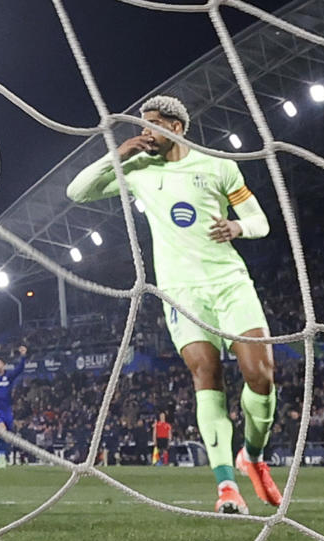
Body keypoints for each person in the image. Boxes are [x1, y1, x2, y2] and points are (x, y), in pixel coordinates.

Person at [65, 95, 280, 513]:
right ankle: (226, 488)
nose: (146, 131)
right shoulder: (140, 170)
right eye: (143, 125)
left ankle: (252, 457)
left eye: (154, 124)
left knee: (261, 376)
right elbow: (77, 192)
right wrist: (121, 152)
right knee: (207, 374)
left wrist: (238, 225)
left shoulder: (219, 167)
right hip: (181, 291)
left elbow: (261, 221)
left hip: (229, 283)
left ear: (177, 128)